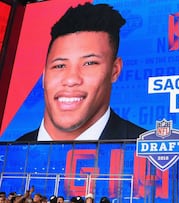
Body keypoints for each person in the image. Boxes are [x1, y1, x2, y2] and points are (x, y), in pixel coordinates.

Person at [16, 3, 145, 141]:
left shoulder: (146, 150)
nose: (71, 79)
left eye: (89, 63)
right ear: (44, 76)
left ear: (115, 71)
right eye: (59, 66)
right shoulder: (9, 151)